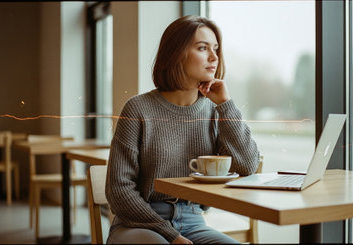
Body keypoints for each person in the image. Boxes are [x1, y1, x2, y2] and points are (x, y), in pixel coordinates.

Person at [105, 15, 260, 244]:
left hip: (193, 222)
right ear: (176, 53)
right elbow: (119, 191)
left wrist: (225, 106)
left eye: (215, 48)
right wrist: (170, 235)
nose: (214, 57)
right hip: (138, 224)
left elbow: (247, 166)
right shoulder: (138, 108)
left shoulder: (214, 110)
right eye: (202, 47)